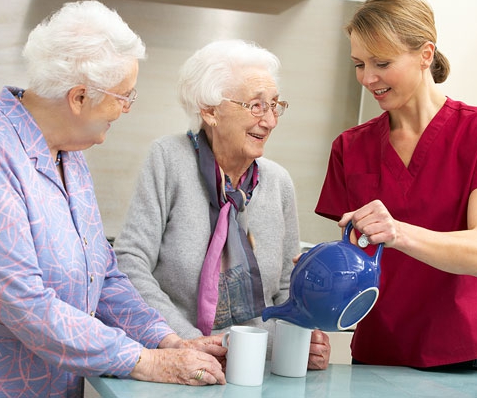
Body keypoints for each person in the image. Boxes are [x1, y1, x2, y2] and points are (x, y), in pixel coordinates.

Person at [0, 0, 226, 397]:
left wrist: (164, 339)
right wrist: (145, 360)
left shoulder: (70, 152)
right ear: (79, 97)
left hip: (55, 380)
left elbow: (102, 275)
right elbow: (24, 303)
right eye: (123, 96)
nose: (126, 108)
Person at [315, 0, 477, 370]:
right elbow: (355, 258)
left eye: (382, 62)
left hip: (470, 350)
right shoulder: (350, 147)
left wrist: (396, 231)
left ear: (425, 55)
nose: (368, 78)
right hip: (380, 350)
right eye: (359, 64)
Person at [115, 39, 331, 370]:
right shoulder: (168, 159)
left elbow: (289, 288)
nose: (270, 121)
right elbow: (131, 265)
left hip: (257, 366)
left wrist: (300, 340)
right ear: (210, 110)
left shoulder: (278, 182)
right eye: (256, 106)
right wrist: (185, 342)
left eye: (275, 106)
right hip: (177, 360)